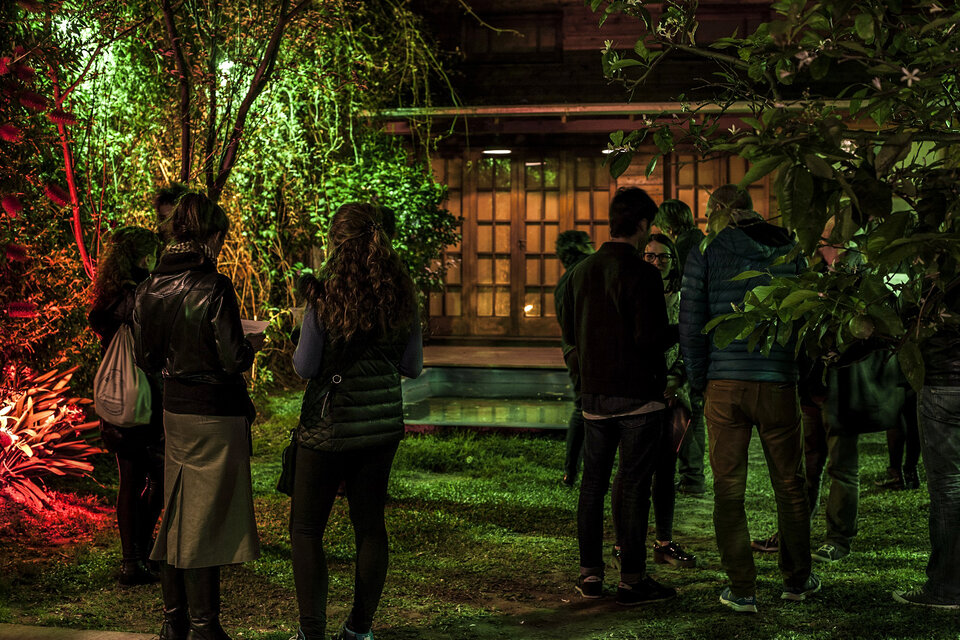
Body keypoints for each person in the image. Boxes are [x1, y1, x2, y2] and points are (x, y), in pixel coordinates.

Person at [680, 185, 817, 614]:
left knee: (729, 489)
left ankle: (742, 588)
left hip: (726, 383)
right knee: (791, 486)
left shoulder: (707, 249)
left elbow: (691, 323)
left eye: (708, 213)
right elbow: (808, 315)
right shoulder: (791, 245)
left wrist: (702, 380)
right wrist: (798, 372)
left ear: (719, 211)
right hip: (778, 380)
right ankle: (797, 580)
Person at [290, 203, 423, 640]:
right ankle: (359, 629)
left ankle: (312, 633)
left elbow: (306, 366)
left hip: (327, 428)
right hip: (381, 429)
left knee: (307, 529)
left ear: (335, 240)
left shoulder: (324, 292)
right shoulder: (402, 291)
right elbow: (413, 366)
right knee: (369, 527)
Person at [135, 191, 263, 640]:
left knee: (179, 512)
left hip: (175, 410)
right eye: (221, 237)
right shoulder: (214, 286)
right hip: (215, 412)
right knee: (203, 521)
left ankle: (175, 622)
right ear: (210, 235)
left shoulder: (149, 286)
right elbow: (232, 359)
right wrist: (250, 345)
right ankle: (205, 627)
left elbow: (145, 357)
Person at [558, 186, 677, 606]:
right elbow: (649, 339)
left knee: (593, 485)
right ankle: (632, 579)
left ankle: (589, 575)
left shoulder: (581, 271)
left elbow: (570, 332)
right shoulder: (644, 274)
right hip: (639, 397)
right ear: (643, 225)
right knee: (633, 485)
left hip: (594, 397)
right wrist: (680, 333)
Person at [88, 226, 164, 587]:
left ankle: (132, 559)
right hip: (143, 397)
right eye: (150, 252)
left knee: (129, 479)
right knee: (159, 476)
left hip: (115, 398)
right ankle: (140, 551)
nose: (154, 258)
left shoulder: (105, 296)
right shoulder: (142, 292)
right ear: (139, 255)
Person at [630, 233, 696, 568]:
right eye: (650, 256)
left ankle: (664, 541)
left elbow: (689, 343)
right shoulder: (633, 293)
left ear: (673, 261)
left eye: (663, 257)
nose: (656, 262)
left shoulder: (682, 298)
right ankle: (628, 544)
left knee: (665, 470)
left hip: (670, 395)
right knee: (634, 471)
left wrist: (674, 380)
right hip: (637, 392)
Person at [894, 283, 960, 609]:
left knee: (948, 487)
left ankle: (947, 587)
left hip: (942, 381)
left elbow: (908, 320)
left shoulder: (935, 271)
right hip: (942, 380)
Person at [656, 199, 707, 494]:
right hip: (702, 339)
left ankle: (692, 475)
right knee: (695, 411)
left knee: (684, 409)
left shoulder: (682, 250)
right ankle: (693, 476)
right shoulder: (703, 241)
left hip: (687, 340)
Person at [554, 229, 594, 486]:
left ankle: (572, 469)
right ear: (580, 248)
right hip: (585, 348)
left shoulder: (564, 281)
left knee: (581, 407)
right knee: (585, 409)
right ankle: (576, 469)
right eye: (589, 243)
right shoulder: (586, 273)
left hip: (572, 349)